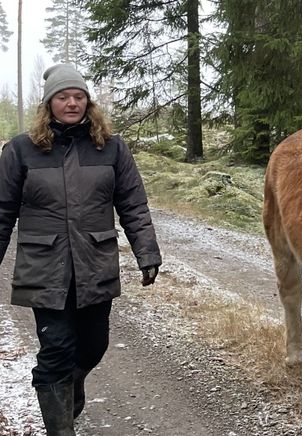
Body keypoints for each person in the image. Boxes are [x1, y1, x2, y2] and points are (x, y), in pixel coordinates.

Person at [0, 64, 161, 435]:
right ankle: (60, 425)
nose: (71, 103)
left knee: (93, 345)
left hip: (94, 262)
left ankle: (71, 383)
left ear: (88, 103)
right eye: (63, 97)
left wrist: (147, 252)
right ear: (49, 103)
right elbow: (3, 211)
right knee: (55, 350)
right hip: (44, 266)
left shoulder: (112, 147)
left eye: (78, 96)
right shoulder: (22, 150)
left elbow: (133, 205)